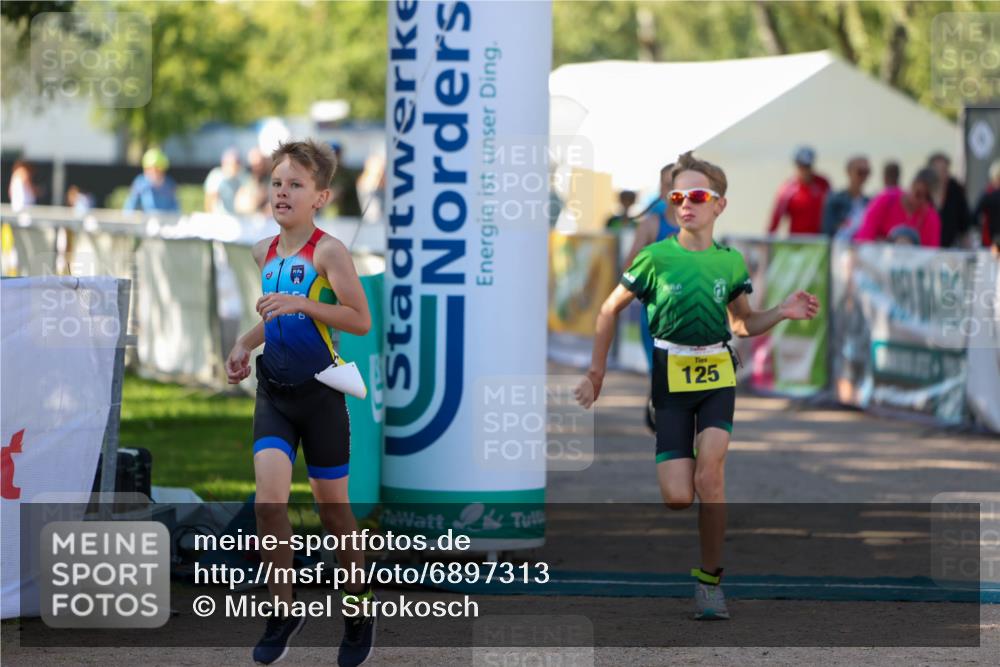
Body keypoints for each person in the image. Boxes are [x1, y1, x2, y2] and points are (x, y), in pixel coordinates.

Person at [574, 152, 819, 620]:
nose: (686, 204)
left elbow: (742, 324)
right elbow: (608, 311)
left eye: (698, 196)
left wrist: (782, 312)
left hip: (716, 379)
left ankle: (709, 583)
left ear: (719, 205)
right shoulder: (654, 258)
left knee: (711, 476)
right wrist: (596, 373)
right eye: (678, 196)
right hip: (670, 382)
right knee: (678, 496)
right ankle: (701, 555)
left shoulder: (729, 262)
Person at [225, 139, 376, 667]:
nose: (282, 192)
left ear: (321, 196)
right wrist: (245, 344)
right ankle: (282, 610)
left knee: (335, 513)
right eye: (276, 182)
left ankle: (357, 615)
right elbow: (277, 318)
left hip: (320, 398)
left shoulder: (329, 251)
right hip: (274, 395)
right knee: (269, 503)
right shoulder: (261, 251)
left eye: (296, 184)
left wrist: (304, 302)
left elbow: (360, 319)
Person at [624, 163, 679, 432]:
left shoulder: (698, 224)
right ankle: (659, 409)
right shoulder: (651, 224)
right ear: (661, 189)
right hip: (656, 314)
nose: (673, 193)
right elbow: (629, 269)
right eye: (668, 186)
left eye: (679, 187)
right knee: (660, 369)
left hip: (691, 313)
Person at [853, 168, 941, 247]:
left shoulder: (931, 217)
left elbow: (931, 253)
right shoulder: (886, 200)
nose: (921, 200)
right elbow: (864, 237)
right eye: (918, 194)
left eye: (927, 198)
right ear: (912, 185)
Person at [767, 146, 830, 236]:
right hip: (797, 241)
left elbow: (833, 212)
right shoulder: (788, 189)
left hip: (819, 240)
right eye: (801, 166)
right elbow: (776, 217)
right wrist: (767, 240)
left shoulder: (823, 184)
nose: (805, 170)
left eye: (807, 166)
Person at [928, 152, 972, 248]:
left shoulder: (956, 190)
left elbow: (964, 224)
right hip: (927, 247)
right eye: (937, 170)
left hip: (951, 247)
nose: (941, 174)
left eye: (944, 170)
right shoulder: (924, 191)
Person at [821, 155, 871, 239]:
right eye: (860, 172)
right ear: (849, 172)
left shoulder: (870, 203)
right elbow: (827, 229)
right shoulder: (835, 200)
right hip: (840, 248)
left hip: (863, 249)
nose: (863, 177)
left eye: (866, 172)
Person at [123, 148, 179, 212]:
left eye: (158, 170)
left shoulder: (169, 185)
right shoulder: (140, 184)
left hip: (165, 221)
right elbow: (129, 208)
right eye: (151, 170)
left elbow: (175, 209)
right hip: (145, 221)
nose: (154, 174)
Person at [204, 147, 246, 215]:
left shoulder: (241, 178)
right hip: (219, 218)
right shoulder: (216, 176)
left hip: (236, 218)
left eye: (237, 163)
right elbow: (210, 201)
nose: (235, 167)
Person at [974, 159, 1000, 256]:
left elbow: (974, 216)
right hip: (989, 242)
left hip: (989, 243)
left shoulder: (987, 194)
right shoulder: (987, 195)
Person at [235, 147, 272, 215]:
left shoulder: (271, 179)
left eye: (261, 164)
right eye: (255, 165)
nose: (258, 167)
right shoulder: (245, 179)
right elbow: (239, 205)